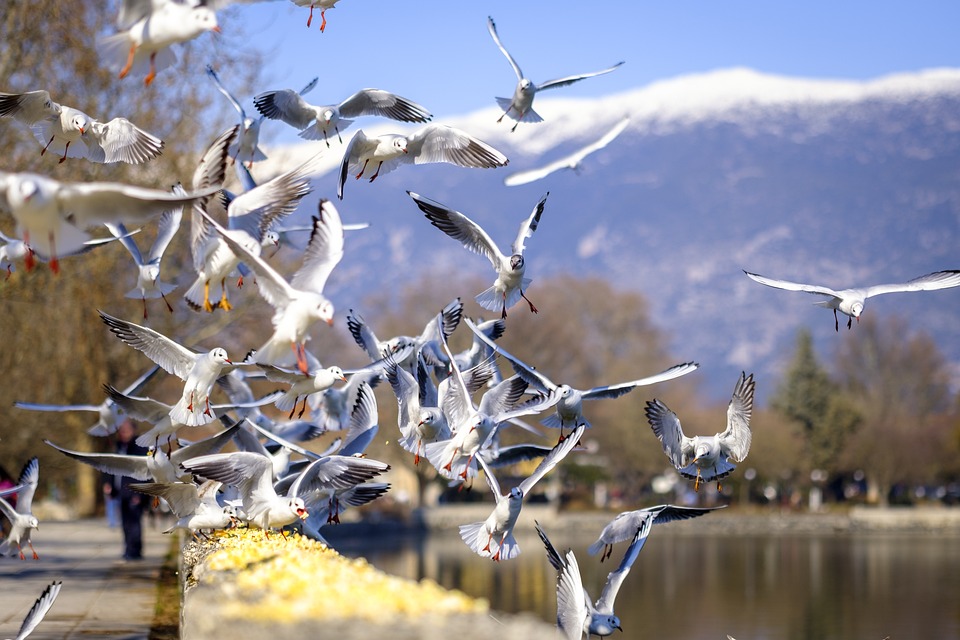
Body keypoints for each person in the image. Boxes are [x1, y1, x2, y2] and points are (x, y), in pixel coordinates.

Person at [102, 419, 148, 560]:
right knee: (126, 523)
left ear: (133, 430)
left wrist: (139, 493)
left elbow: (145, 472)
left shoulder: (140, 447)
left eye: (126, 430)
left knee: (134, 523)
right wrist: (107, 483)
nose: (123, 433)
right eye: (121, 430)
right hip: (121, 491)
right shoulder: (117, 447)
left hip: (135, 491)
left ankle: (135, 551)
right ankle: (128, 548)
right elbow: (108, 466)